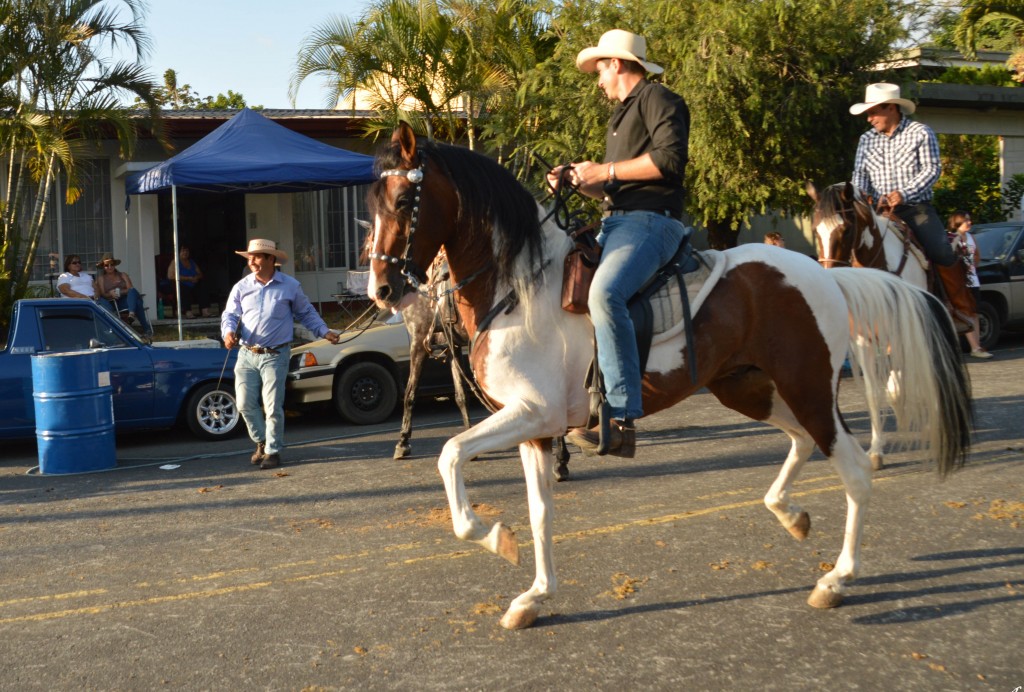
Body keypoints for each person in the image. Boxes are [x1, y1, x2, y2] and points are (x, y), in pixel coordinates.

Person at [553, 29, 690, 458]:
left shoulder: (659, 98)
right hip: (616, 221)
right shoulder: (620, 116)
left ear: (616, 63)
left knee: (605, 294)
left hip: (652, 222)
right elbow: (612, 187)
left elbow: (669, 161)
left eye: (599, 70)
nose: (597, 81)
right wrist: (577, 182)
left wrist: (605, 171)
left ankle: (621, 418)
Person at [849, 82, 973, 331]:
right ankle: (851, 312)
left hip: (916, 208)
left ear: (892, 108)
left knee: (940, 250)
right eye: (868, 114)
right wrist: (860, 199)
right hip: (878, 211)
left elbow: (932, 169)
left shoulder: (920, 132)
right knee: (846, 246)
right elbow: (860, 174)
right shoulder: (866, 140)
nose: (870, 119)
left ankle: (959, 308)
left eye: (874, 112)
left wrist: (903, 194)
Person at [221, 238, 340, 469]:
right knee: (244, 403)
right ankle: (262, 441)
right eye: (250, 257)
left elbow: (306, 313)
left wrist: (324, 331)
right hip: (246, 353)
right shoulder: (242, 286)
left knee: (272, 404)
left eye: (256, 257)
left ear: (270, 259)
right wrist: (227, 333)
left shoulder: (290, 286)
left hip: (275, 355)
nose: (252, 261)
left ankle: (273, 451)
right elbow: (230, 315)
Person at [947, 212, 992, 359]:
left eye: (969, 220)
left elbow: (977, 254)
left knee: (974, 312)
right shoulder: (951, 237)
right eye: (966, 220)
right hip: (960, 282)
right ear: (958, 222)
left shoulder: (971, 237)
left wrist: (973, 265)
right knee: (965, 313)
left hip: (973, 279)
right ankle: (974, 347)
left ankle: (977, 346)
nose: (969, 222)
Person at [95, 254, 153, 336]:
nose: (109, 267)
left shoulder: (122, 275)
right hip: (113, 302)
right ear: (103, 267)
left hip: (126, 300)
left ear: (115, 265)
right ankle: (146, 329)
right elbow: (103, 294)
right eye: (106, 265)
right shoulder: (101, 278)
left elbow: (130, 289)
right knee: (138, 303)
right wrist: (110, 293)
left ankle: (131, 314)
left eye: (112, 264)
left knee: (133, 291)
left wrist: (120, 292)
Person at [167, 245, 211, 318]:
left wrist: (195, 277)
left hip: (193, 283)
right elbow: (170, 276)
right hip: (182, 283)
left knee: (203, 286)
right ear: (178, 252)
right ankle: (188, 312)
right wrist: (187, 278)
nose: (185, 252)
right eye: (183, 251)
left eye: (187, 251)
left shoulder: (191, 262)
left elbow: (200, 274)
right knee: (184, 289)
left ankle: (205, 311)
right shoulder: (175, 262)